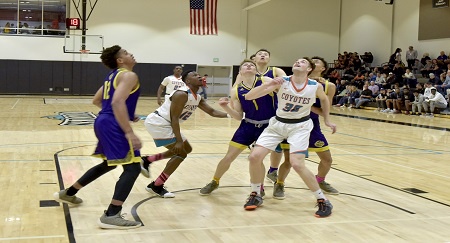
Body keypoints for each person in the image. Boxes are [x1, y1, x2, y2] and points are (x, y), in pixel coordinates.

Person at [53, 45, 143, 229]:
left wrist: (122, 115)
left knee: (108, 164)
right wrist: (129, 131)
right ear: (120, 60)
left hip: (102, 121)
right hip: (113, 125)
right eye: (125, 53)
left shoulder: (112, 76)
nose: (130, 53)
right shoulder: (128, 75)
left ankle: (69, 193)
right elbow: (117, 101)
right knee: (133, 168)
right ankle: (112, 214)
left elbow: (97, 100)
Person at [244, 57, 336, 218]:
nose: (297, 62)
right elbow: (249, 97)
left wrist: (327, 119)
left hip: (300, 127)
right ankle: (255, 193)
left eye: (302, 62)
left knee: (297, 164)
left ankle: (322, 200)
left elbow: (324, 100)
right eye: (296, 61)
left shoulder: (316, 86)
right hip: (278, 125)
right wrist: (269, 85)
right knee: (254, 157)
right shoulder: (282, 82)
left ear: (309, 69)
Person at [142, 70, 229, 197]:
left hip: (167, 124)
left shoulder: (197, 97)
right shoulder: (181, 94)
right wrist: (178, 140)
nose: (199, 76)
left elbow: (212, 112)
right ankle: (157, 185)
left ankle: (147, 160)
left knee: (186, 148)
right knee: (181, 152)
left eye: (199, 75)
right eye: (194, 75)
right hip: (159, 122)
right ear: (187, 81)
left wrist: (232, 115)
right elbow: (174, 118)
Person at [198, 59, 279, 196]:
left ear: (256, 70)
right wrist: (225, 107)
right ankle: (215, 181)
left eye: (252, 65)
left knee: (257, 159)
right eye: (245, 65)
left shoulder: (265, 80)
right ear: (240, 71)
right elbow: (238, 116)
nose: (249, 66)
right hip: (247, 125)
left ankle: (260, 187)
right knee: (229, 157)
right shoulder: (236, 90)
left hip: (267, 127)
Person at [273, 56, 339, 201]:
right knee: (289, 161)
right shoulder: (293, 80)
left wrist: (327, 119)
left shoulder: (328, 86)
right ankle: (279, 183)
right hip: (293, 123)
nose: (313, 63)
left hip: (313, 125)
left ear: (322, 68)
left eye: (317, 62)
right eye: (311, 62)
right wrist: (305, 104)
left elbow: (325, 110)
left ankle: (320, 181)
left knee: (327, 159)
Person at [232, 49, 287, 183]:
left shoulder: (275, 71)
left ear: (269, 59)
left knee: (278, 147)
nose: (263, 55)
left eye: (266, 54)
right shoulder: (246, 73)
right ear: (253, 59)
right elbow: (235, 89)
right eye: (260, 54)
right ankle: (258, 180)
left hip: (276, 113)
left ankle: (273, 170)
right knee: (258, 153)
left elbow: (287, 85)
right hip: (254, 115)